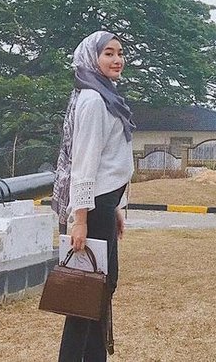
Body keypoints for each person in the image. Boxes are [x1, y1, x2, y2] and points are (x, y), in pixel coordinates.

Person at [51, 31, 136, 361]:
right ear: (92, 58)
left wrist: (116, 208)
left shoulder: (107, 95)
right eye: (108, 54)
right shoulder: (93, 100)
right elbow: (84, 164)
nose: (117, 60)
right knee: (85, 294)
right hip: (93, 208)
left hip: (104, 205)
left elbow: (111, 161)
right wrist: (81, 219)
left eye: (120, 53)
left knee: (100, 290)